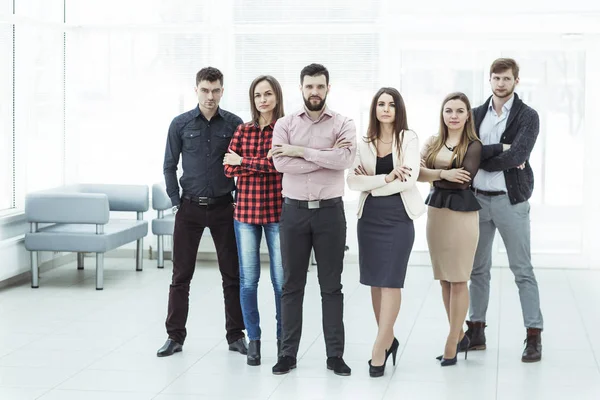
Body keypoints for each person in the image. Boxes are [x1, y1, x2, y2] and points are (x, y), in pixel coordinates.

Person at [269, 63, 356, 376]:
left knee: (331, 287)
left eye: (320, 86)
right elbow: (280, 163)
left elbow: (345, 159)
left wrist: (300, 151)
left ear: (328, 88)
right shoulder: (285, 123)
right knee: (292, 285)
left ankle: (335, 356)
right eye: (309, 87)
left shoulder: (343, 122)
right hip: (293, 213)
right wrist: (322, 157)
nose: (314, 92)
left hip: (331, 214)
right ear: (301, 88)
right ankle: (287, 354)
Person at [158, 67, 247, 357]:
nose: (211, 96)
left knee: (232, 275)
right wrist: (175, 201)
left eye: (216, 90)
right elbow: (169, 165)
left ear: (222, 90)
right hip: (190, 208)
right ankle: (175, 337)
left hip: (224, 207)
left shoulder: (234, 124)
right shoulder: (180, 124)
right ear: (196, 89)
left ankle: (236, 336)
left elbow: (242, 165)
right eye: (205, 90)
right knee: (180, 276)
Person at [465, 58, 543, 363]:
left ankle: (534, 335)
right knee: (477, 270)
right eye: (496, 78)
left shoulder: (528, 116)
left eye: (506, 78)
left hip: (511, 201)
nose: (501, 83)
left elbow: (519, 155)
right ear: (490, 80)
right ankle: (476, 331)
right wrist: (502, 149)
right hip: (478, 200)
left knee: (522, 270)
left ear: (516, 81)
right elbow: (464, 154)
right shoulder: (474, 114)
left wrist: (483, 157)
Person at [347, 87, 425, 377]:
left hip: (398, 217)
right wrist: (386, 177)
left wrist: (374, 183)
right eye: (381, 104)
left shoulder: (409, 138)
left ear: (398, 109)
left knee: (391, 282)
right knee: (375, 283)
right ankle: (389, 338)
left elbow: (408, 181)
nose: (386, 109)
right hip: (369, 219)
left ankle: (378, 349)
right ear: (374, 108)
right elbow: (353, 182)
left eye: (391, 104)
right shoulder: (364, 141)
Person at [223, 75, 285, 366]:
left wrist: (244, 163)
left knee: (281, 282)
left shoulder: (286, 130)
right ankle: (255, 341)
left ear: (276, 97)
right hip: (245, 214)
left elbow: (281, 166)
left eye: (268, 93)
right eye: (258, 95)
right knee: (248, 281)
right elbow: (226, 169)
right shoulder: (242, 129)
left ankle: (284, 342)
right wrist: (261, 165)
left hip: (278, 213)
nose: (263, 99)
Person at [418, 92, 482, 366]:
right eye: (448, 110)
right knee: (444, 278)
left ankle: (451, 341)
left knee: (458, 278)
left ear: (468, 114)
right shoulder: (433, 142)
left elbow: (463, 180)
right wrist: (443, 174)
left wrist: (434, 175)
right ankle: (459, 335)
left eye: (459, 110)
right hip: (437, 216)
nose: (453, 115)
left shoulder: (473, 144)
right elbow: (416, 173)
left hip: (462, 218)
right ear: (442, 114)